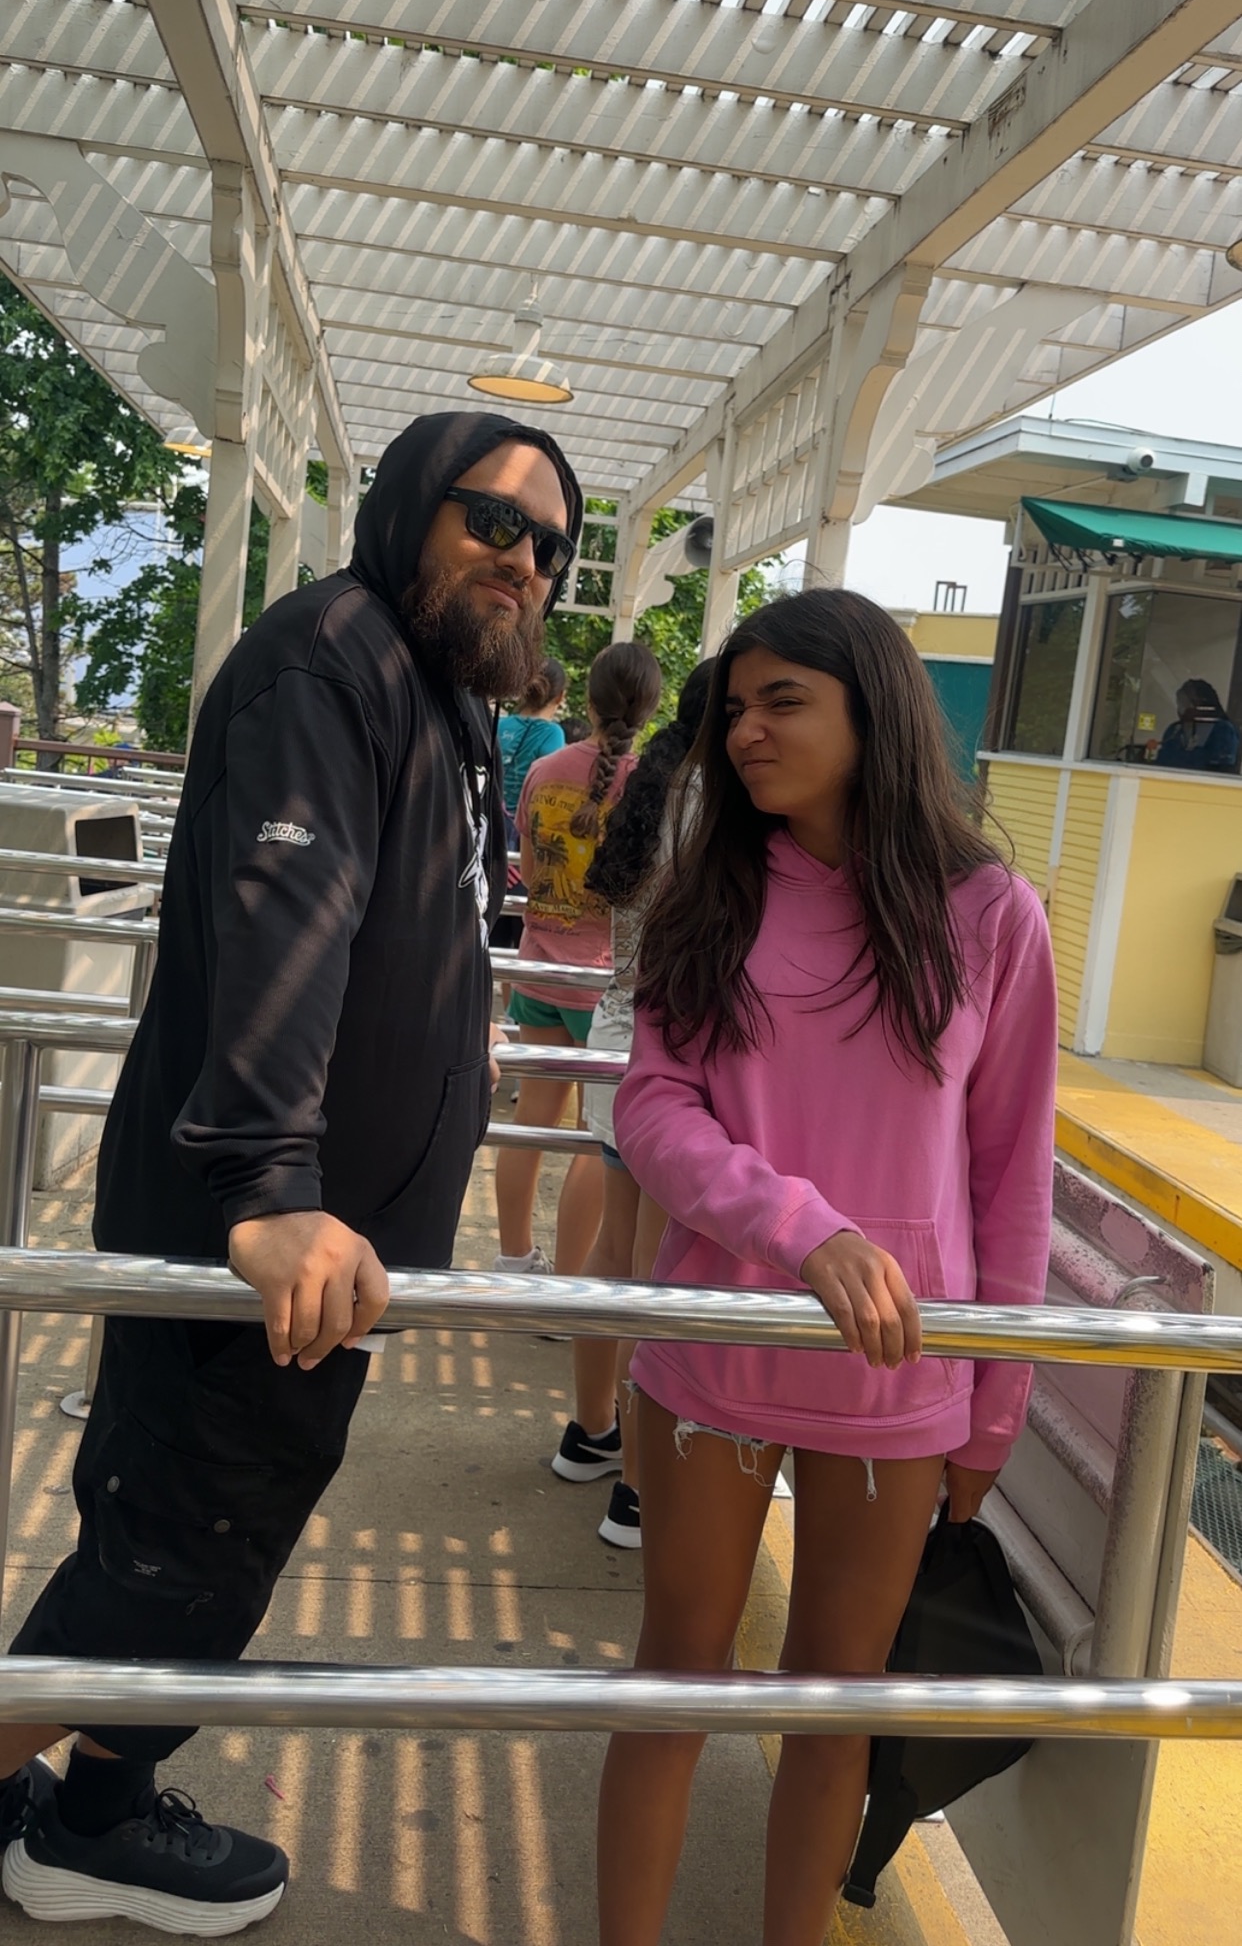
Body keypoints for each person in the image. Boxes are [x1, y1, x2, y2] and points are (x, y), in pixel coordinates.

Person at [0, 409, 582, 1936]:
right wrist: (270, 1185)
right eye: (491, 519)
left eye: (550, 546)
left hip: (334, 1249)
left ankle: (96, 1812)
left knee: (204, 1541)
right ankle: (62, 1808)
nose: (524, 561)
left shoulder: (440, 698)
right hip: (258, 1234)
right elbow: (287, 909)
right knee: (168, 1558)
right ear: (407, 507)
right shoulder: (333, 662)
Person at [597, 588, 1057, 1946]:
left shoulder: (992, 915)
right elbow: (653, 1109)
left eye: (782, 701)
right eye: (735, 707)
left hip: (898, 1387)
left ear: (875, 709)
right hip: (714, 1360)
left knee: (834, 1707)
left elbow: (1010, 1173)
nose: (744, 731)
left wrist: (995, 1405)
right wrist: (802, 1228)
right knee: (674, 1684)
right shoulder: (710, 895)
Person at [550, 660, 714, 1549]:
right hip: (673, 1060)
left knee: (613, 1252)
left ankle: (591, 1433)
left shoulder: (650, 785)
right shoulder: (718, 805)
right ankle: (642, 1491)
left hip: (616, 1037)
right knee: (656, 1270)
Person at [493, 641, 662, 1279]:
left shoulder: (545, 770)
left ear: (586, 702)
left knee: (532, 1122)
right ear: (649, 709)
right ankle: (570, 1280)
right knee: (597, 1142)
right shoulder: (648, 788)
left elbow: (533, 874)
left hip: (540, 969)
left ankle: (514, 1258)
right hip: (602, 986)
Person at [498, 661, 567, 845]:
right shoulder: (553, 734)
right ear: (560, 696)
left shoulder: (500, 725)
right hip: (524, 833)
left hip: (489, 821)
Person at [1155, 678, 1240, 773]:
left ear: (1203, 703)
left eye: (1187, 703)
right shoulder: (1174, 730)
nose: (1183, 709)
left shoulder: (1224, 730)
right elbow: (1162, 762)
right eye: (1180, 703)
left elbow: (1222, 768)